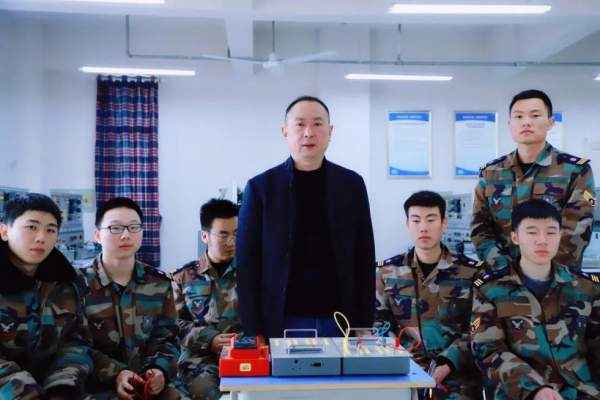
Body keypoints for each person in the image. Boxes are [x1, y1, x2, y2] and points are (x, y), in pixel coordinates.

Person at [237, 95, 376, 339]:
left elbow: (364, 257)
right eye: (300, 124)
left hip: (340, 320)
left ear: (330, 131)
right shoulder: (261, 188)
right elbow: (247, 266)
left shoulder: (351, 185)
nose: (309, 132)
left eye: (317, 124)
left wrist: (364, 323)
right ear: (285, 133)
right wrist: (253, 330)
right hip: (280, 320)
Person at [471, 198, 600, 400]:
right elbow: (488, 350)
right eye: (532, 232)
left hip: (582, 392)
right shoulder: (490, 290)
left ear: (560, 235)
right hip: (522, 393)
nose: (542, 240)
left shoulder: (587, 287)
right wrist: (535, 389)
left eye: (551, 232)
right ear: (515, 237)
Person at [375, 191, 484, 399]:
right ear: (407, 225)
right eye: (416, 220)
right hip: (403, 372)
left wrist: (447, 362)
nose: (423, 227)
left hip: (457, 377)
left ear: (444, 223)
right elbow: (378, 324)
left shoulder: (471, 272)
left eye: (431, 219)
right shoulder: (388, 272)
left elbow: (480, 326)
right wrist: (402, 358)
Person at [471, 89, 596, 270]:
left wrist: (540, 271)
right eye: (519, 116)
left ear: (550, 123)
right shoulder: (491, 172)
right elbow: (480, 226)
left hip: (557, 280)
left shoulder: (575, 170)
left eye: (535, 115)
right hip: (503, 279)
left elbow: (578, 229)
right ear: (510, 124)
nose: (526, 122)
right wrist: (503, 269)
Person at [80, 197, 188, 400]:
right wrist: (117, 373)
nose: (126, 235)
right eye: (115, 228)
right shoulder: (77, 285)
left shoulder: (159, 283)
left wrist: (159, 369)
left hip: (151, 384)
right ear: (97, 235)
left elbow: (167, 337)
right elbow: (76, 346)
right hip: (98, 386)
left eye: (134, 227)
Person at [0, 193, 93, 399]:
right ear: (4, 231)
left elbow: (76, 342)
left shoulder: (67, 280)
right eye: (31, 227)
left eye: (50, 230)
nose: (41, 237)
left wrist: (61, 390)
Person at [172, 199, 242, 400]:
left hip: (244, 353)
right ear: (205, 236)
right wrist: (209, 339)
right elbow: (173, 324)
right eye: (223, 235)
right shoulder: (183, 277)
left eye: (236, 233)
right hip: (200, 358)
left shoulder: (252, 272)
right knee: (205, 393)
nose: (231, 242)